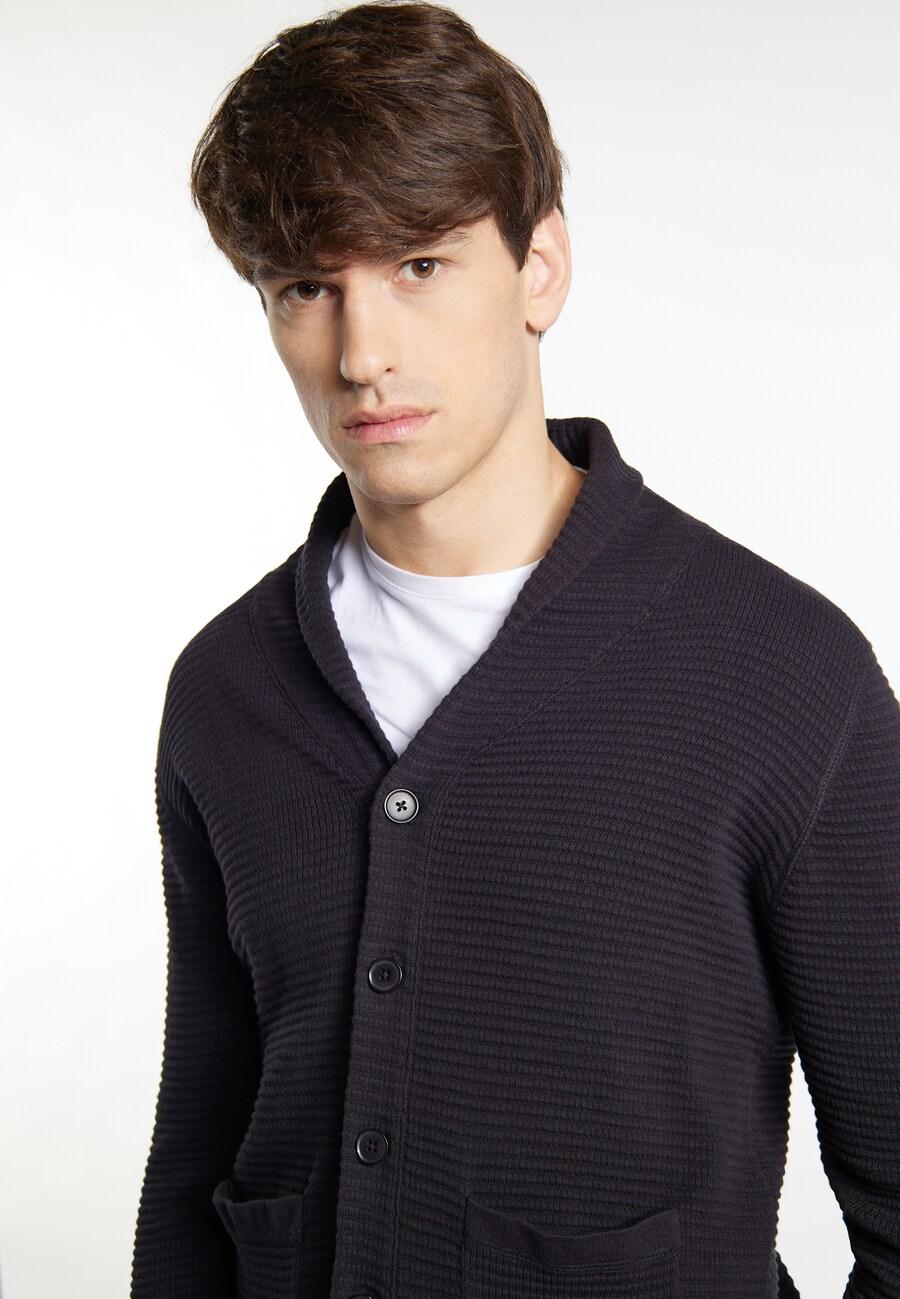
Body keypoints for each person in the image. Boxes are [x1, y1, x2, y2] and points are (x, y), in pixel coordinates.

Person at [130, 3, 900, 1297]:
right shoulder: (226, 689)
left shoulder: (780, 676)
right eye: (308, 287)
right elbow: (196, 1159)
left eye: (419, 265)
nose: (363, 355)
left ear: (540, 268)